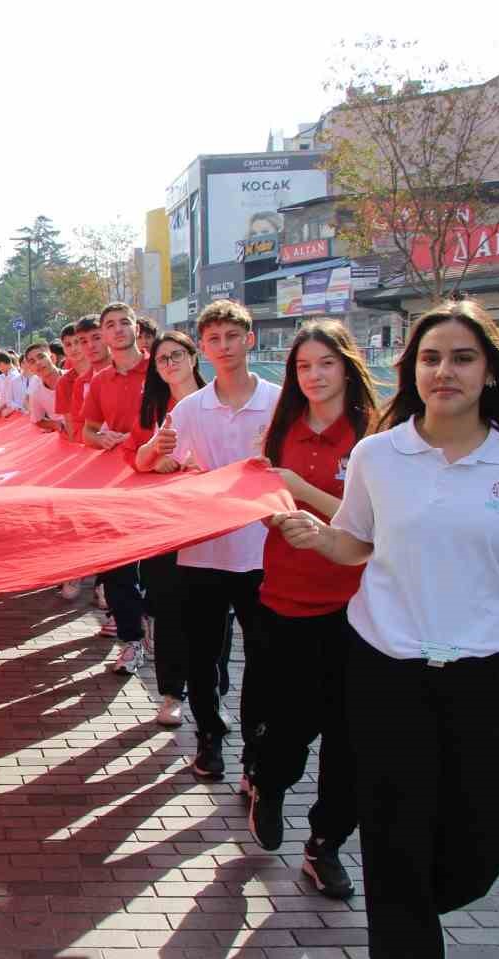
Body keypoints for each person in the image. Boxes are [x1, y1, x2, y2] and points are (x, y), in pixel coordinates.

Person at [269, 299, 499, 959]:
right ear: (412, 372)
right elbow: (354, 544)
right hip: (386, 670)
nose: (445, 371)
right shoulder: (381, 456)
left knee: (478, 847)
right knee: (395, 830)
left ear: (489, 373)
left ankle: (412, 908)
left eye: (463, 358)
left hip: (479, 677)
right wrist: (316, 537)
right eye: (431, 358)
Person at [244, 319, 380, 904]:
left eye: (325, 363)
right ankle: (268, 786)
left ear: (347, 366)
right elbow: (255, 500)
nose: (314, 375)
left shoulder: (376, 437)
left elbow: (371, 518)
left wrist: (302, 487)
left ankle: (325, 845)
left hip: (360, 610)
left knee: (350, 739)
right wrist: (272, 510)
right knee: (290, 727)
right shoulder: (280, 432)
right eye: (303, 366)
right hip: (286, 602)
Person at [151, 299, 279, 782]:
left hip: (263, 553)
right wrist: (160, 457)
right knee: (203, 656)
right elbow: (159, 461)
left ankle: (256, 751)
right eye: (214, 339)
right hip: (202, 551)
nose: (223, 348)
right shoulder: (189, 409)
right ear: (202, 348)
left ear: (250, 340)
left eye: (232, 337)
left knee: (263, 660)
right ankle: (209, 738)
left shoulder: (281, 401)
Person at [130, 331, 207, 728]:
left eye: (177, 355)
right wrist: (154, 455)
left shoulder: (216, 402)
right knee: (169, 612)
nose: (171, 364)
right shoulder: (153, 409)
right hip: (163, 526)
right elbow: (136, 459)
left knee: (212, 618)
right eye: (162, 359)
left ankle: (212, 695)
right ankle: (172, 693)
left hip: (211, 527)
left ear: (193, 357)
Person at [79, 302, 151, 671]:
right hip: (115, 484)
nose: (118, 330)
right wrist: (101, 438)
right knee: (120, 566)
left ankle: (151, 626)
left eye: (125, 323)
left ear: (137, 329)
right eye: (111, 325)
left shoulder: (160, 369)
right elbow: (87, 429)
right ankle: (131, 641)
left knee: (156, 571)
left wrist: (146, 443)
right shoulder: (101, 380)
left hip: (156, 480)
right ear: (105, 335)